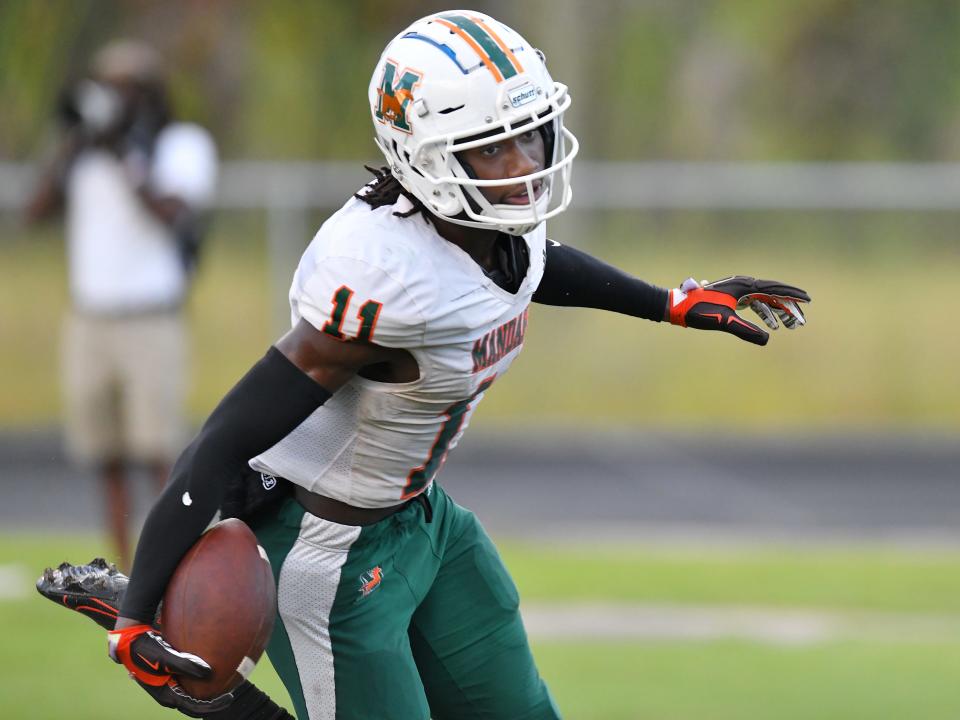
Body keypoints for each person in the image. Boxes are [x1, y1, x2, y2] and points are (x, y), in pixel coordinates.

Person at [100, 11, 809, 720]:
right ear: (428, 159)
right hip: (327, 554)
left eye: (529, 136)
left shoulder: (488, 231)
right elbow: (226, 438)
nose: (526, 164)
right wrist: (138, 612)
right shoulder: (384, 279)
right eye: (494, 149)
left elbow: (534, 269)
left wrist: (672, 303)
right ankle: (218, 698)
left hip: (426, 525)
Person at [25, 40, 218, 570]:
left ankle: (174, 563)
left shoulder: (178, 144)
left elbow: (171, 211)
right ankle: (123, 568)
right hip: (90, 319)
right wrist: (73, 144)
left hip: (150, 319)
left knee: (159, 451)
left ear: (151, 94)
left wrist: (123, 151)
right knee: (104, 453)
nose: (114, 99)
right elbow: (32, 212)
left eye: (127, 89)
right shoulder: (85, 152)